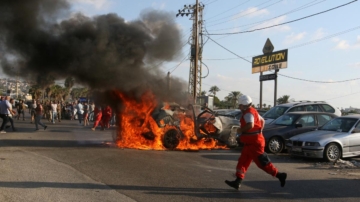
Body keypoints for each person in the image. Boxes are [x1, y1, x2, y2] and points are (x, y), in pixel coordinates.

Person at [225, 95, 287, 190]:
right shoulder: (252, 111)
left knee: (262, 164)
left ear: (244, 105)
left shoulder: (248, 113)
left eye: (240, 105)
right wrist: (259, 131)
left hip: (255, 144)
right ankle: (238, 181)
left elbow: (250, 125)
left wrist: (241, 130)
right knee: (242, 161)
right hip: (250, 143)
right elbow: (262, 121)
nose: (239, 107)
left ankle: (279, 175)